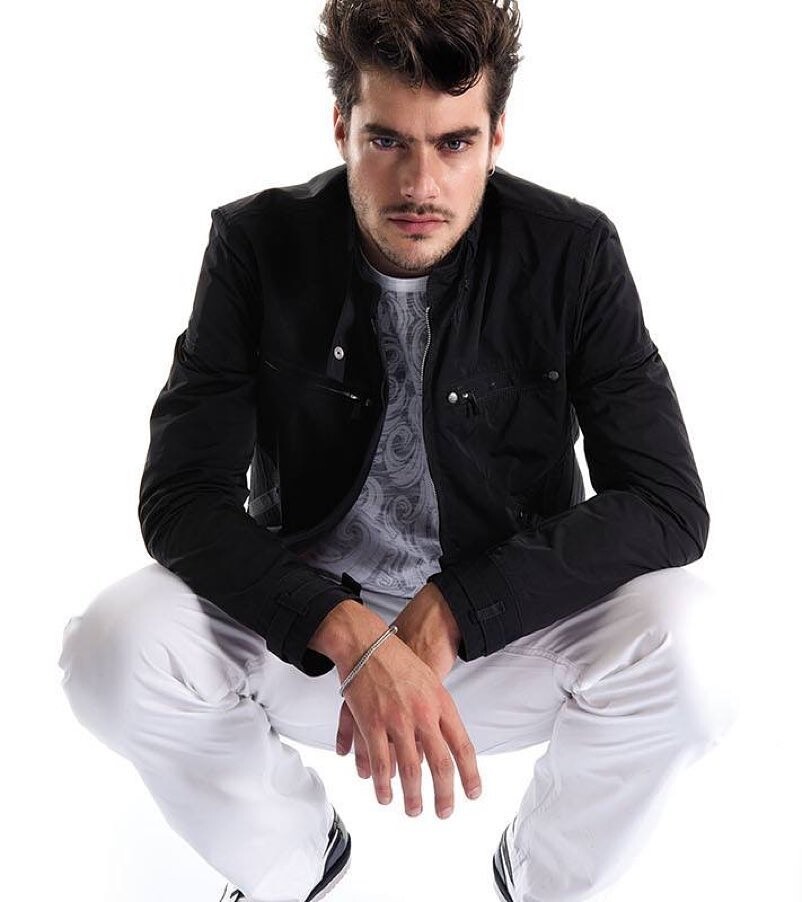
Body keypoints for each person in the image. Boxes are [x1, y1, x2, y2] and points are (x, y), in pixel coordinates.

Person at [58, 1, 736, 900]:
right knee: (114, 646)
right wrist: (347, 632)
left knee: (696, 652)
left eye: (454, 144)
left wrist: (457, 608)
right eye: (387, 141)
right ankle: (293, 862)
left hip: (506, 633)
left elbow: (666, 504)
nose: (421, 183)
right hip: (311, 638)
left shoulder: (572, 253)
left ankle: (543, 879)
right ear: (341, 127)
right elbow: (181, 498)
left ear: (496, 137)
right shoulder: (257, 246)